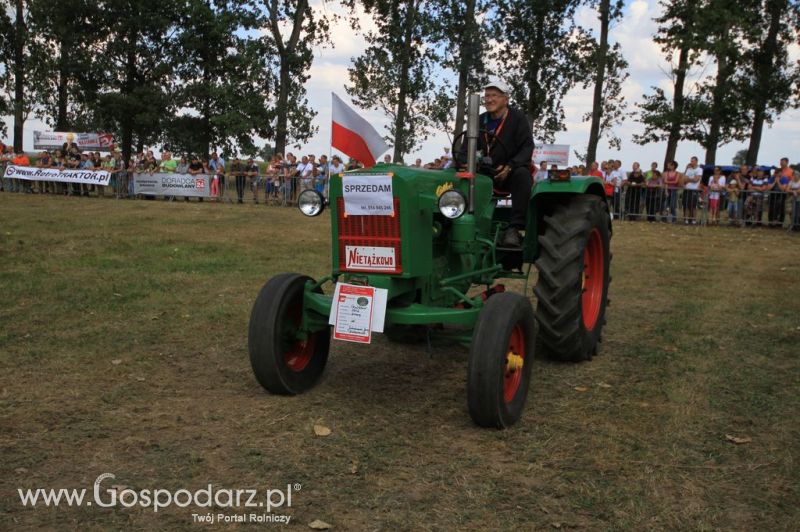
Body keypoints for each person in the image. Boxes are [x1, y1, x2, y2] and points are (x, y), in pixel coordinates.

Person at [460, 79, 534, 248]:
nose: (489, 99)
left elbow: (527, 147)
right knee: (457, 176)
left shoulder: (517, 118)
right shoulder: (478, 120)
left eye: (494, 95)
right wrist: (465, 163)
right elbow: (464, 150)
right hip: (482, 172)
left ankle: (515, 227)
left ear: (505, 99)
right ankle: (461, 219)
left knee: (522, 175)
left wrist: (510, 166)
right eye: (487, 96)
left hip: (508, 172)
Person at [683, 156, 702, 224]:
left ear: (696, 161)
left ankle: (693, 220)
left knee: (694, 206)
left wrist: (688, 179)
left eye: (692, 161)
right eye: (691, 161)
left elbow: (696, 180)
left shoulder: (699, 169)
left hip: (694, 190)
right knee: (686, 205)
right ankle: (686, 219)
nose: (691, 162)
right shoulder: (689, 169)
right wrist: (691, 179)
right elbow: (684, 179)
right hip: (687, 189)